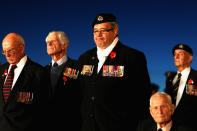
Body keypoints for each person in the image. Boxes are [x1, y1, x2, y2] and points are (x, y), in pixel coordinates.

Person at [78, 13, 151, 131]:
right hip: (88, 126)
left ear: (115, 31)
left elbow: (142, 95)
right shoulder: (84, 58)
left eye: (103, 30)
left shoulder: (132, 57)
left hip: (119, 126)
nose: (98, 35)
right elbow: (81, 92)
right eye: (95, 31)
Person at [0, 33, 46, 131]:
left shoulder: (39, 72)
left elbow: (43, 111)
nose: (7, 55)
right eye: (4, 51)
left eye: (11, 50)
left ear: (22, 48)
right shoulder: (1, 70)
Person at [44, 31, 81, 130]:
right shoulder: (42, 71)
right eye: (47, 42)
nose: (49, 44)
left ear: (64, 45)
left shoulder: (78, 67)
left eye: (53, 41)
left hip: (71, 124)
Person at [165, 43, 197, 130]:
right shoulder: (170, 79)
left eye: (180, 54)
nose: (176, 57)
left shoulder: (195, 76)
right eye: (175, 54)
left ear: (190, 58)